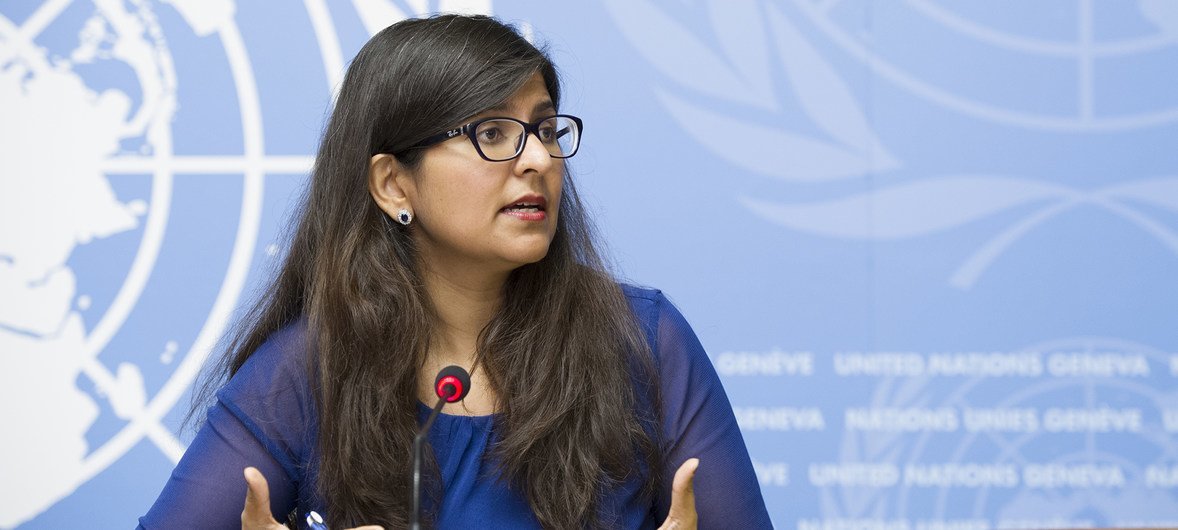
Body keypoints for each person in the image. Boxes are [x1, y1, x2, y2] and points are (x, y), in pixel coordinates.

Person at [139, 14, 771, 529]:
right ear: (393, 184)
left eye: (545, 129)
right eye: (493, 133)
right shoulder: (309, 369)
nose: (537, 161)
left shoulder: (643, 339)